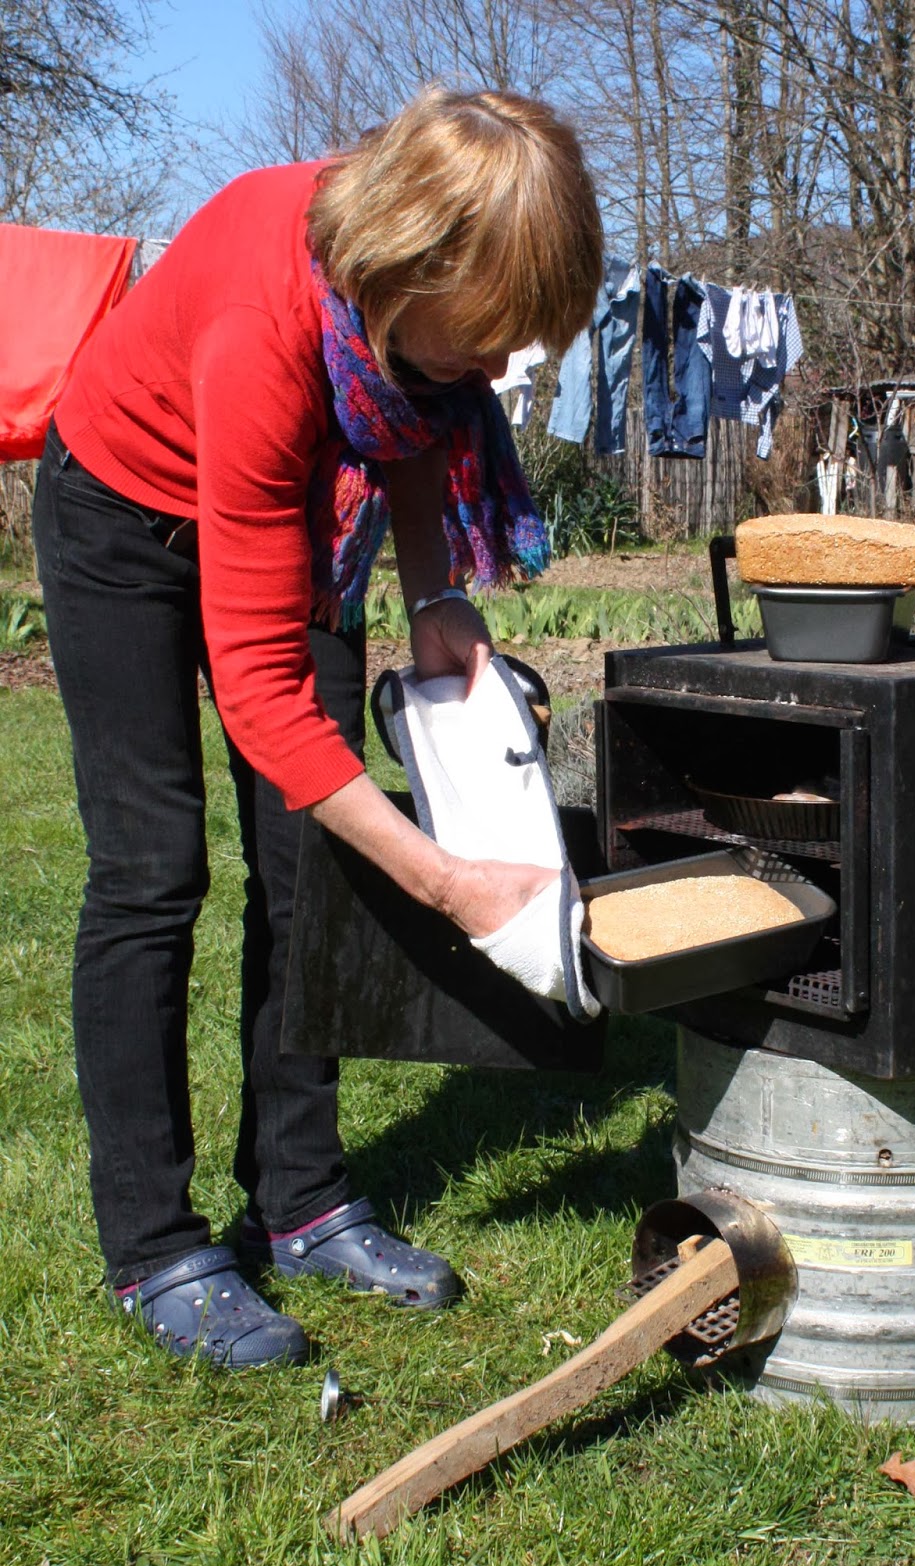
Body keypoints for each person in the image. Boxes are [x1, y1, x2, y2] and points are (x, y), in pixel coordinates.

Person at [32, 86, 604, 1370]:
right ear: (410, 269)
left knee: (309, 871)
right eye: (485, 339)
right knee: (152, 872)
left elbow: (413, 406)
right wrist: (450, 884)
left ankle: (301, 1200)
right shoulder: (266, 325)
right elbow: (265, 703)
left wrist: (436, 599)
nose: (495, 371)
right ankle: (155, 1245)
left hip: (292, 504)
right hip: (125, 513)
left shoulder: (395, 306)